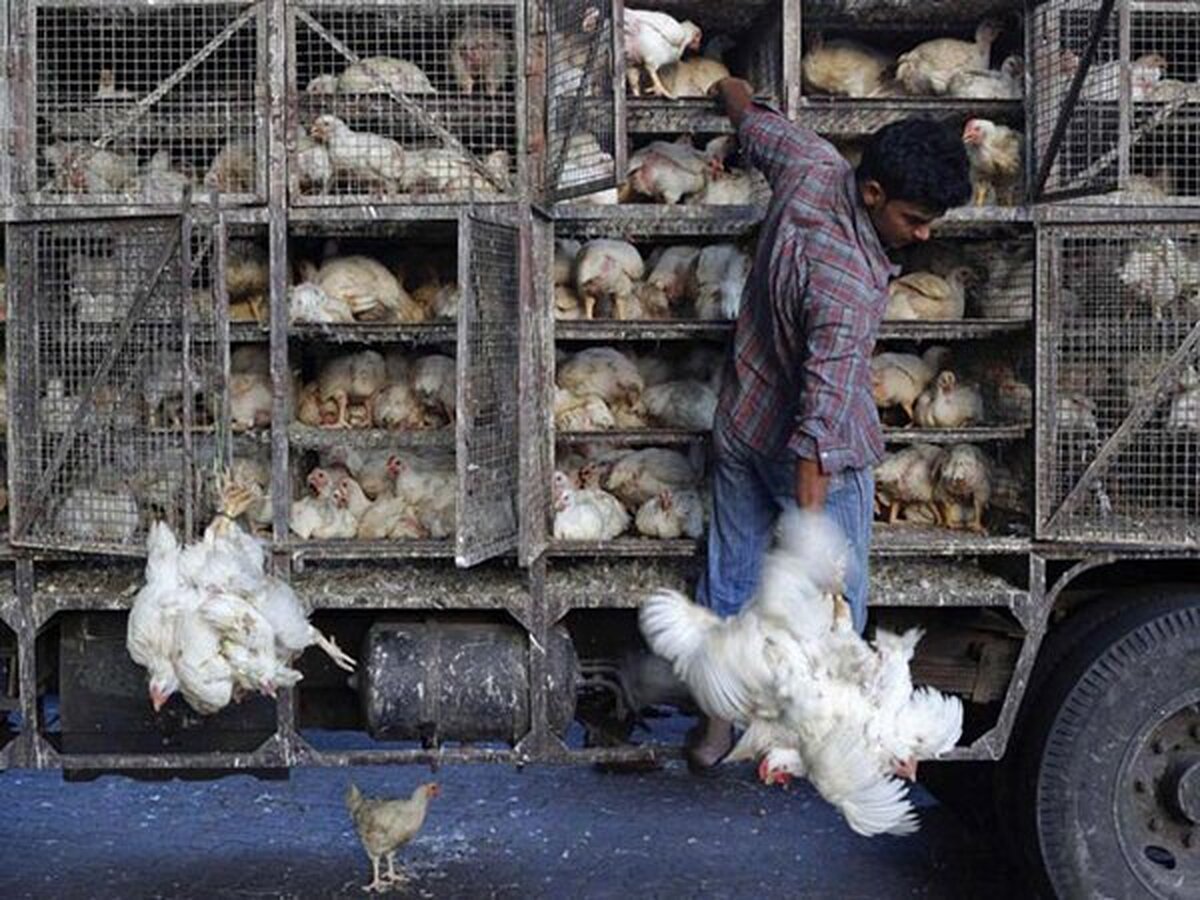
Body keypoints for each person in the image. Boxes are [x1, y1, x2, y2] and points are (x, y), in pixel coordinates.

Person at [686, 79, 973, 773]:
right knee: (840, 610)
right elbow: (819, 423)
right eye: (915, 219)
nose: (925, 234)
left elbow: (751, 117)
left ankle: (715, 729)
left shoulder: (811, 164)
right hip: (812, 458)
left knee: (729, 576)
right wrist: (813, 539)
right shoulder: (845, 288)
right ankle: (820, 736)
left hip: (742, 418)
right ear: (873, 193)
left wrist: (726, 90)